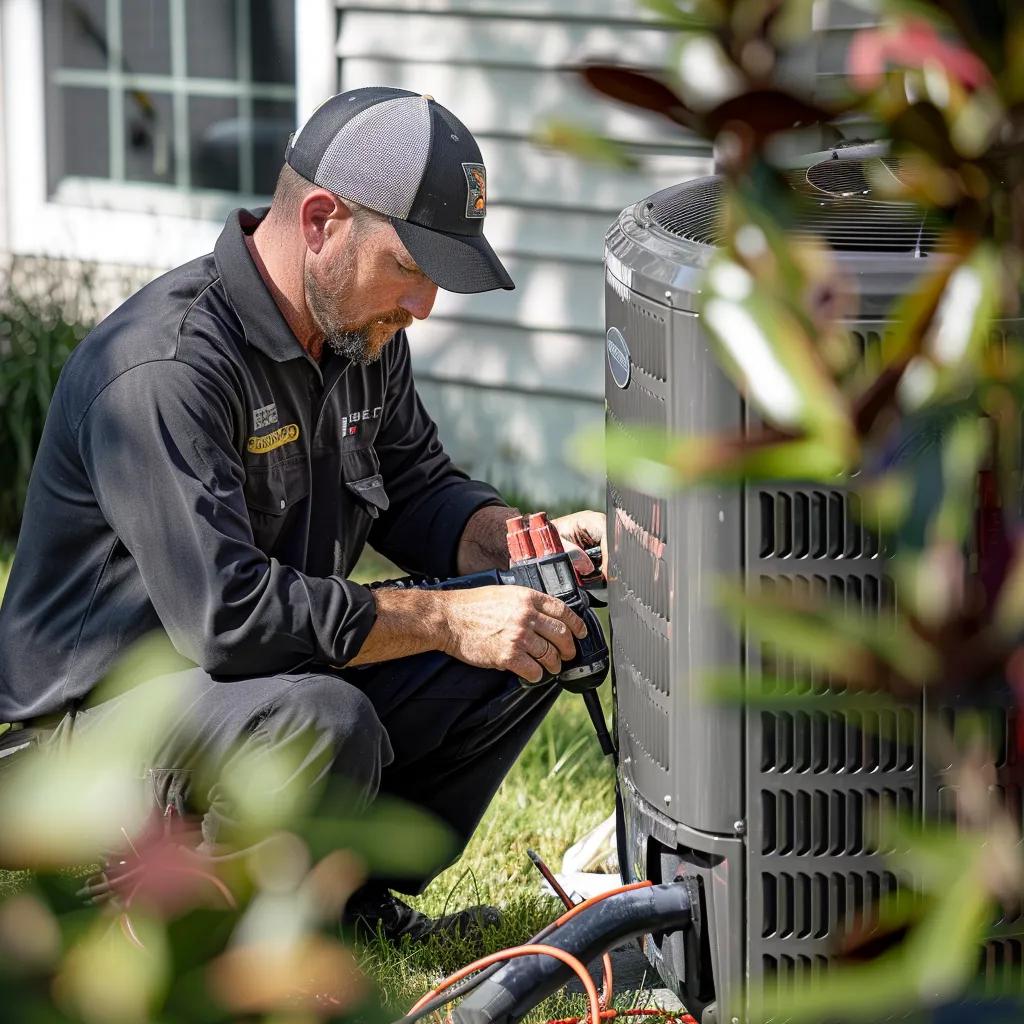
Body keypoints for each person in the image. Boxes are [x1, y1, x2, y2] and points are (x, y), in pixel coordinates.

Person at [0, 87, 606, 942]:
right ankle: (183, 925)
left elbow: (419, 488)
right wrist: (439, 617)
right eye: (411, 266)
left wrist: (524, 549)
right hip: (96, 730)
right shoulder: (166, 370)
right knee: (326, 719)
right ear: (321, 219)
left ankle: (342, 902)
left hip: (253, 686)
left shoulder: (358, 335)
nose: (425, 305)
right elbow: (230, 618)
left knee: (539, 629)